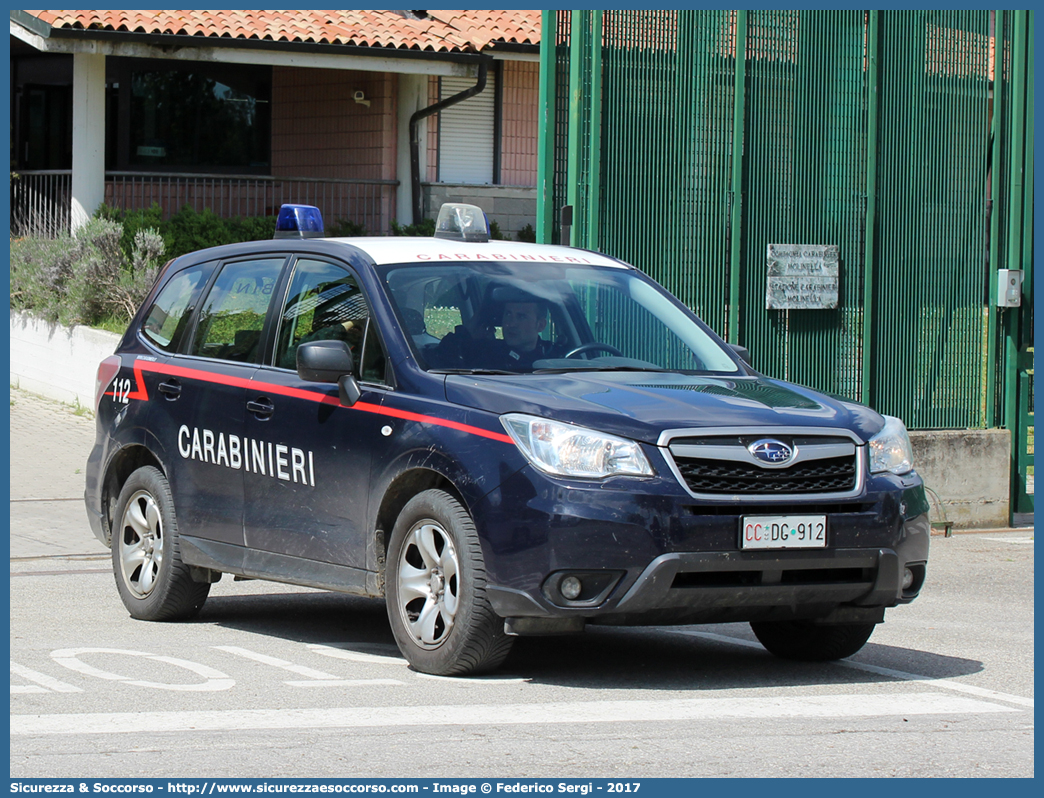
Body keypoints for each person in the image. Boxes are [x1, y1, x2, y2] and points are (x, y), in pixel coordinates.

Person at [431, 296, 563, 372]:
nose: (510, 323)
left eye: (521, 317)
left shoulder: (555, 356)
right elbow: (441, 356)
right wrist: (478, 319)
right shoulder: (486, 351)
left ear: (540, 325)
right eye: (508, 314)